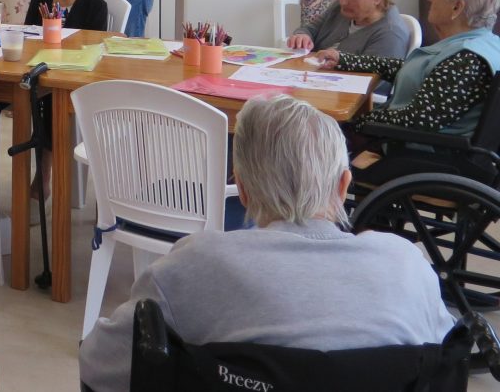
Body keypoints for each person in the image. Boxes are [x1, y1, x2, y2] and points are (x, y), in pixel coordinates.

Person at [79, 94, 455, 392]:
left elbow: (98, 365)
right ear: (343, 186)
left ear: (241, 189)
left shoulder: (195, 265)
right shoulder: (407, 266)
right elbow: (448, 357)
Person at [317, 0, 500, 181]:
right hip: (436, 149)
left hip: (431, 158)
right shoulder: (481, 43)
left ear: (457, 8)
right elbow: (411, 70)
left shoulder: (466, 60)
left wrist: (358, 120)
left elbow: (417, 120)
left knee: (319, 141)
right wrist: (344, 59)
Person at [23, 0, 108, 200]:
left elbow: (93, 51)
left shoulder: (96, 6)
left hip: (76, 78)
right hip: (42, 71)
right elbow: (27, 39)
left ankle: (45, 178)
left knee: (50, 100)